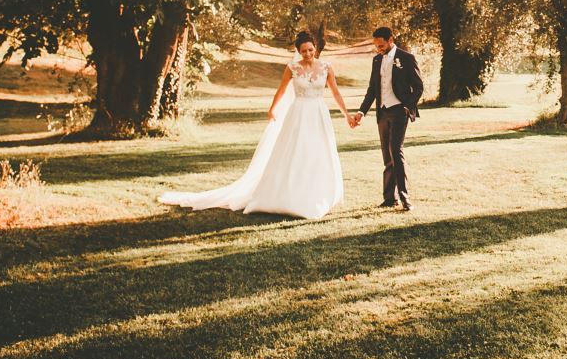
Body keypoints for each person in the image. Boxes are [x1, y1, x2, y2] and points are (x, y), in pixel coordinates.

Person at [160, 31, 349, 220]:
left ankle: (317, 195)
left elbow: (336, 93)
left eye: (310, 50)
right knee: (296, 152)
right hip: (298, 115)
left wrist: (346, 114)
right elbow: (281, 90)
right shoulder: (292, 67)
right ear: (298, 51)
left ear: (315, 48)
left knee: (317, 152)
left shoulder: (326, 67)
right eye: (304, 51)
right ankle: (289, 196)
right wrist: (272, 109)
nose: (308, 54)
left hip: (318, 115)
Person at [349, 26, 423, 210]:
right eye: (376, 46)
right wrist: (361, 112)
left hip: (399, 111)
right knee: (387, 156)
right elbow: (372, 90)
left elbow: (419, 87)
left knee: (396, 152)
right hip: (382, 113)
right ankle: (390, 198)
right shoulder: (376, 60)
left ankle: (405, 198)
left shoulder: (406, 58)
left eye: (381, 45)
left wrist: (407, 107)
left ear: (391, 40)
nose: (379, 49)